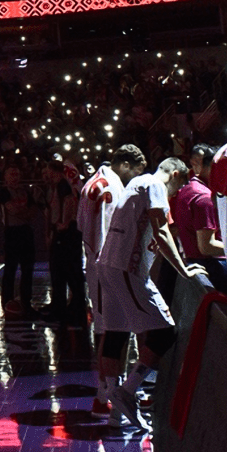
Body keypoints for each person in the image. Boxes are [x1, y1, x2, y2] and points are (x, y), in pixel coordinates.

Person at [95, 152, 205, 433]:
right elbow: (161, 231)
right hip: (126, 268)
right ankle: (128, 391)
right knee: (164, 332)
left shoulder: (135, 182)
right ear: (176, 175)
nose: (177, 193)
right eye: (179, 188)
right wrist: (184, 269)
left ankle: (116, 415)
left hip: (107, 265)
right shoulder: (155, 185)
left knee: (116, 334)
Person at [78, 147, 136, 417]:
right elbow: (108, 231)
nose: (133, 177)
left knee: (105, 329)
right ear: (124, 164)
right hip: (108, 266)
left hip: (95, 264)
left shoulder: (91, 182)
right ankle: (107, 393)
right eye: (134, 170)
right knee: (113, 331)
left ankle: (108, 391)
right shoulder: (111, 186)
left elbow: (82, 227)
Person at [174, 143, 225, 292]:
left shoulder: (189, 187)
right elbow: (206, 246)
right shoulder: (204, 198)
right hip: (213, 266)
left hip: (195, 260)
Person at [43, 160, 85, 325]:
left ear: (54, 171)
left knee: (62, 271)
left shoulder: (62, 186)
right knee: (65, 270)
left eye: (47, 171)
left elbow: (69, 202)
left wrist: (64, 222)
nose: (46, 175)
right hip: (65, 231)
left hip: (65, 233)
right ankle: (65, 305)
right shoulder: (59, 186)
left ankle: (64, 308)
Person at [0, 165, 37, 317]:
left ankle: (26, 302)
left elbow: (33, 210)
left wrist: (22, 212)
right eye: (12, 174)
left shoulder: (25, 191)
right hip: (12, 232)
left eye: (17, 174)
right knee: (11, 268)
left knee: (28, 268)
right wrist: (25, 213)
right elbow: (12, 209)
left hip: (25, 231)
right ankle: (7, 301)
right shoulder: (3, 192)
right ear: (6, 177)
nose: (15, 177)